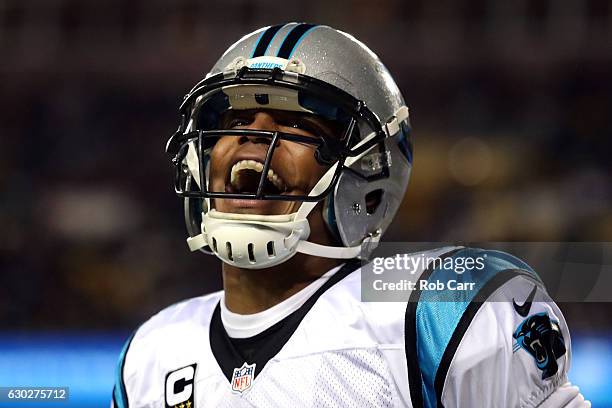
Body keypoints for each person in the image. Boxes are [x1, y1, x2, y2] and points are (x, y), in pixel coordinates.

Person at [112, 23, 589, 407]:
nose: (252, 138)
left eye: (297, 124)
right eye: (234, 121)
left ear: (369, 184)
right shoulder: (153, 352)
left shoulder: (433, 310)